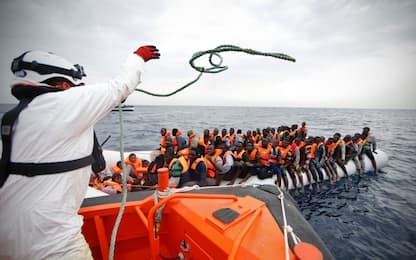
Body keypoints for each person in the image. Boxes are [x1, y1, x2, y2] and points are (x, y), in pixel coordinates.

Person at [0, 45, 160, 259]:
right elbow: (120, 86)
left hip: (7, 236)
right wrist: (138, 57)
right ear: (65, 84)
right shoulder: (65, 102)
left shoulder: (14, 118)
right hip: (53, 242)